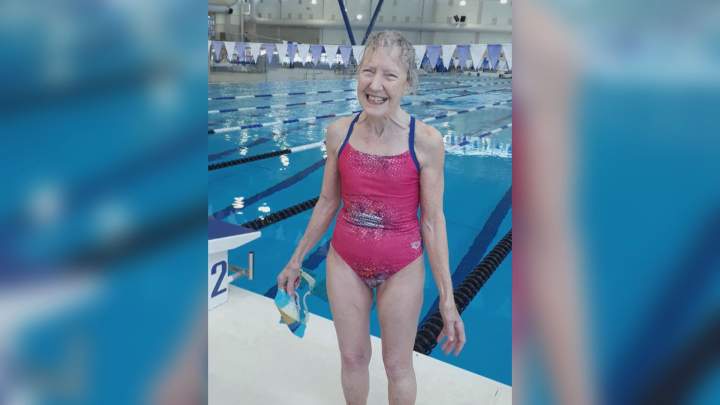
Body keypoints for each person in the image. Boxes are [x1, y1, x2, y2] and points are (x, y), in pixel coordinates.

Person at [276, 31, 465, 405]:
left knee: (398, 366)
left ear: (407, 83)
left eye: (389, 75)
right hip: (345, 261)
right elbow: (328, 201)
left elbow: (432, 221)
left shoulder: (426, 141)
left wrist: (448, 298)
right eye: (368, 71)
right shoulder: (339, 132)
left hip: (402, 266)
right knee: (352, 358)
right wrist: (296, 259)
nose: (375, 85)